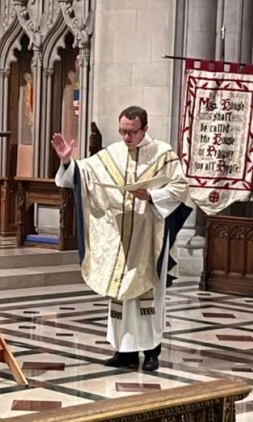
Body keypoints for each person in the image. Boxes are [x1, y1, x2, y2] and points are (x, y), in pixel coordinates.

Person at [52, 106, 192, 372]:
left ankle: (152, 352)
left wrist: (151, 196)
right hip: (120, 240)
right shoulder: (113, 154)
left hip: (150, 236)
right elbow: (84, 176)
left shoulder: (163, 155)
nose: (126, 137)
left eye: (131, 132)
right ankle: (124, 351)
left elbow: (181, 189)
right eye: (122, 131)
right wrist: (68, 162)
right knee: (121, 295)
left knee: (148, 296)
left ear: (145, 129)